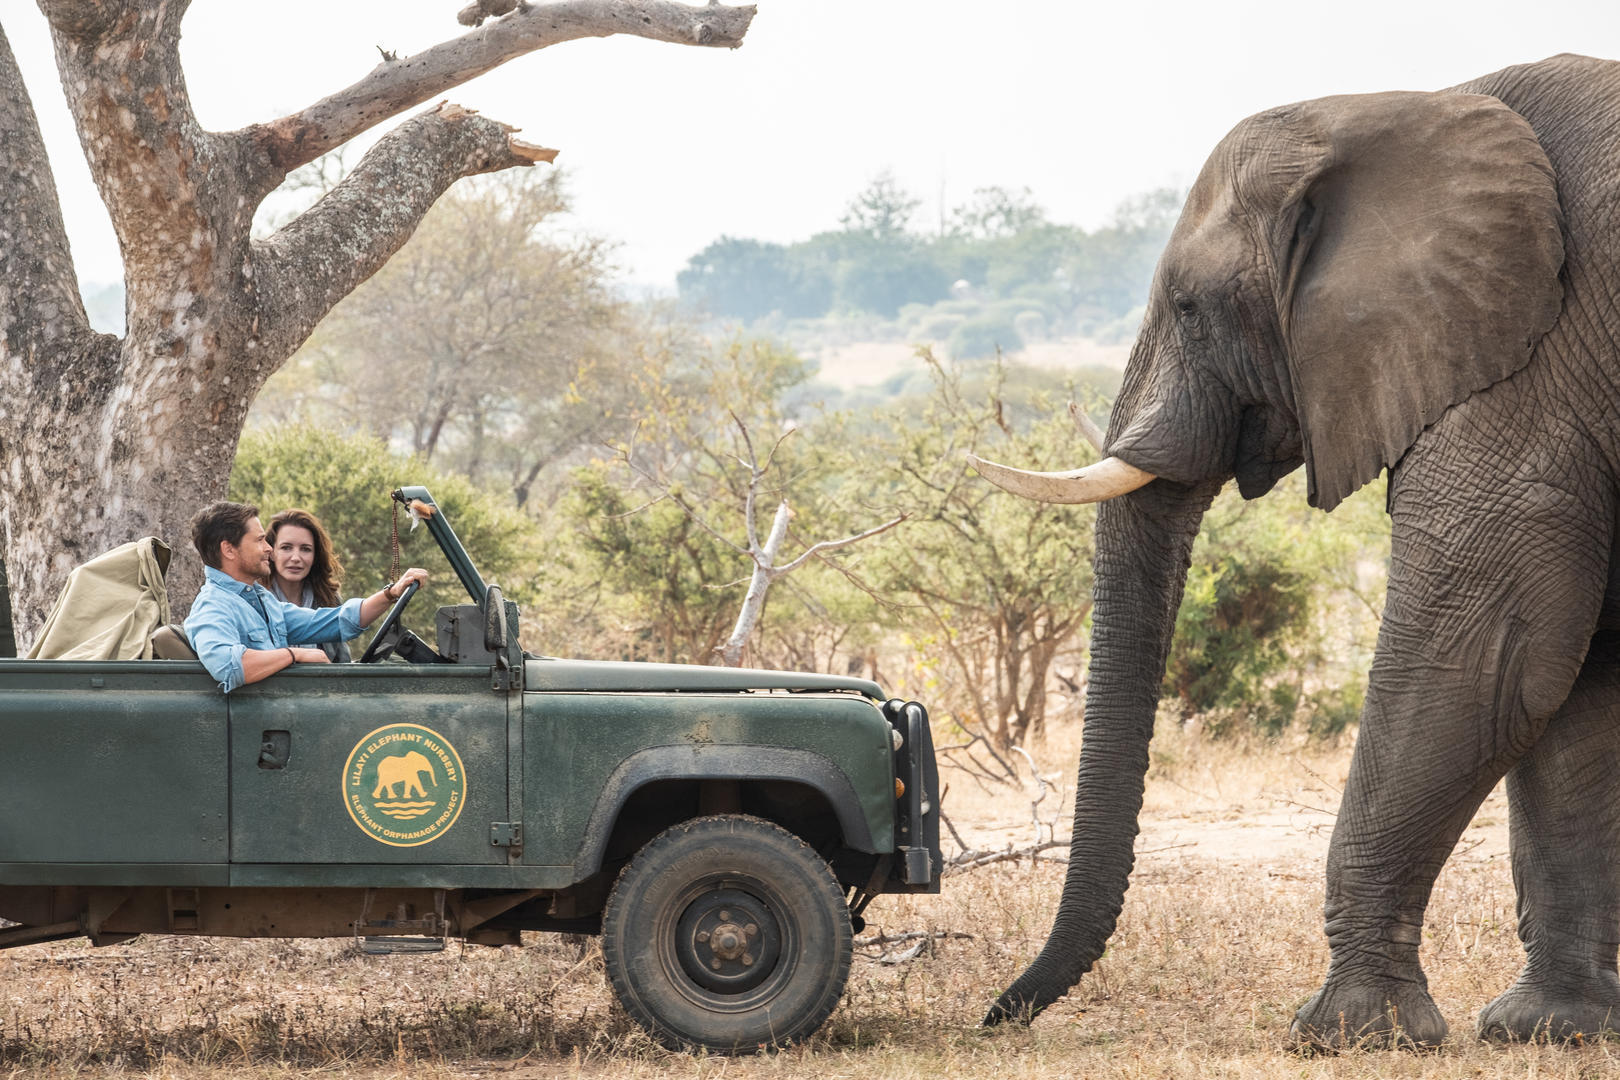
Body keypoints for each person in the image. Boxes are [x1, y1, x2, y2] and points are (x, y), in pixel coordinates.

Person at [184, 501, 428, 693]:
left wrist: (391, 593)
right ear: (229, 549)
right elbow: (229, 667)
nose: (269, 549)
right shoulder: (212, 606)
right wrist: (296, 655)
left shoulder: (259, 599)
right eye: (260, 541)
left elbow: (334, 621)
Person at [265, 508, 351, 663]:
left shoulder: (329, 599)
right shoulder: (254, 600)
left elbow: (342, 664)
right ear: (271, 552)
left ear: (315, 555)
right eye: (286, 547)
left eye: (305, 549)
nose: (296, 558)